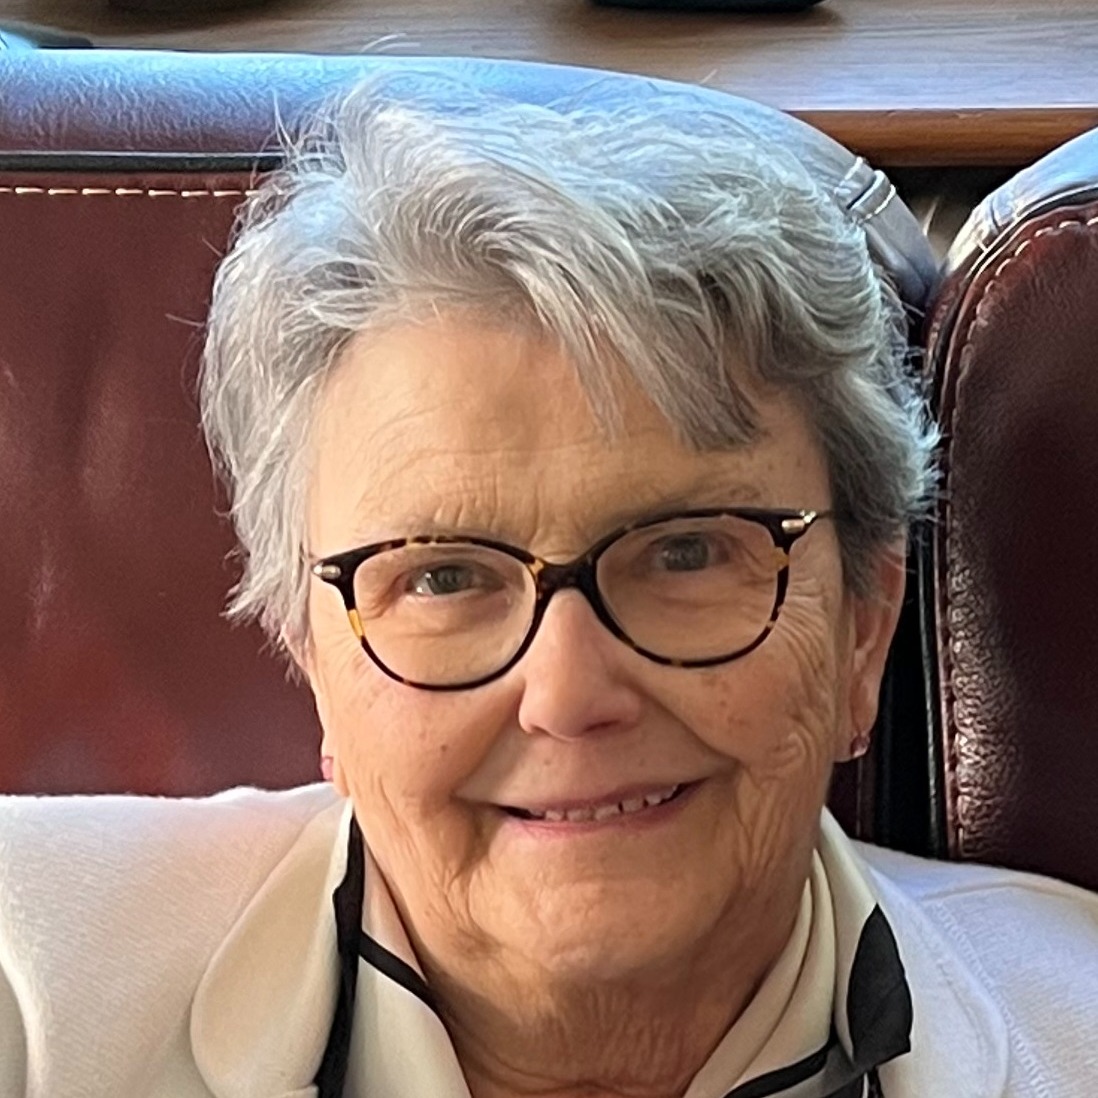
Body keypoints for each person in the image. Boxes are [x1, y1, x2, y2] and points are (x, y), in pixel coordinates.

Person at [1, 71, 1096, 1098]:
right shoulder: (28, 986)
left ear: (863, 628)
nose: (569, 695)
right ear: (315, 664)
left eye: (686, 553)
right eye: (442, 576)